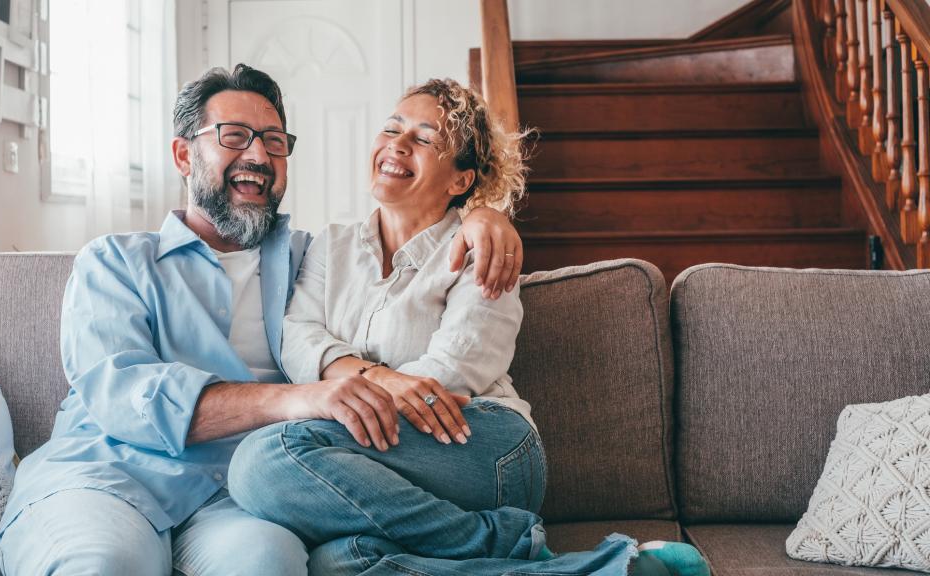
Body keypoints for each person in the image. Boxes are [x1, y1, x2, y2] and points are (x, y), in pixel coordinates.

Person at [0, 64, 524, 576]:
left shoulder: (310, 257)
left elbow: (415, 227)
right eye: (234, 136)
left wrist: (485, 215)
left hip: (235, 496)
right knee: (103, 566)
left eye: (274, 141)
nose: (258, 154)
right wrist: (300, 398)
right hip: (106, 478)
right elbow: (123, 394)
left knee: (269, 563)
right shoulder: (113, 261)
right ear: (183, 155)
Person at [226, 78, 711, 576]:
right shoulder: (332, 244)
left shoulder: (483, 245)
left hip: (480, 442)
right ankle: (609, 571)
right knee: (339, 562)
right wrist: (375, 379)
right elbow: (299, 336)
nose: (396, 144)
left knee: (264, 459)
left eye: (423, 138)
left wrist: (351, 391)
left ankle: (512, 542)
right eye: (392, 128)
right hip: (384, 453)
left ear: (460, 181)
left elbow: (452, 372)